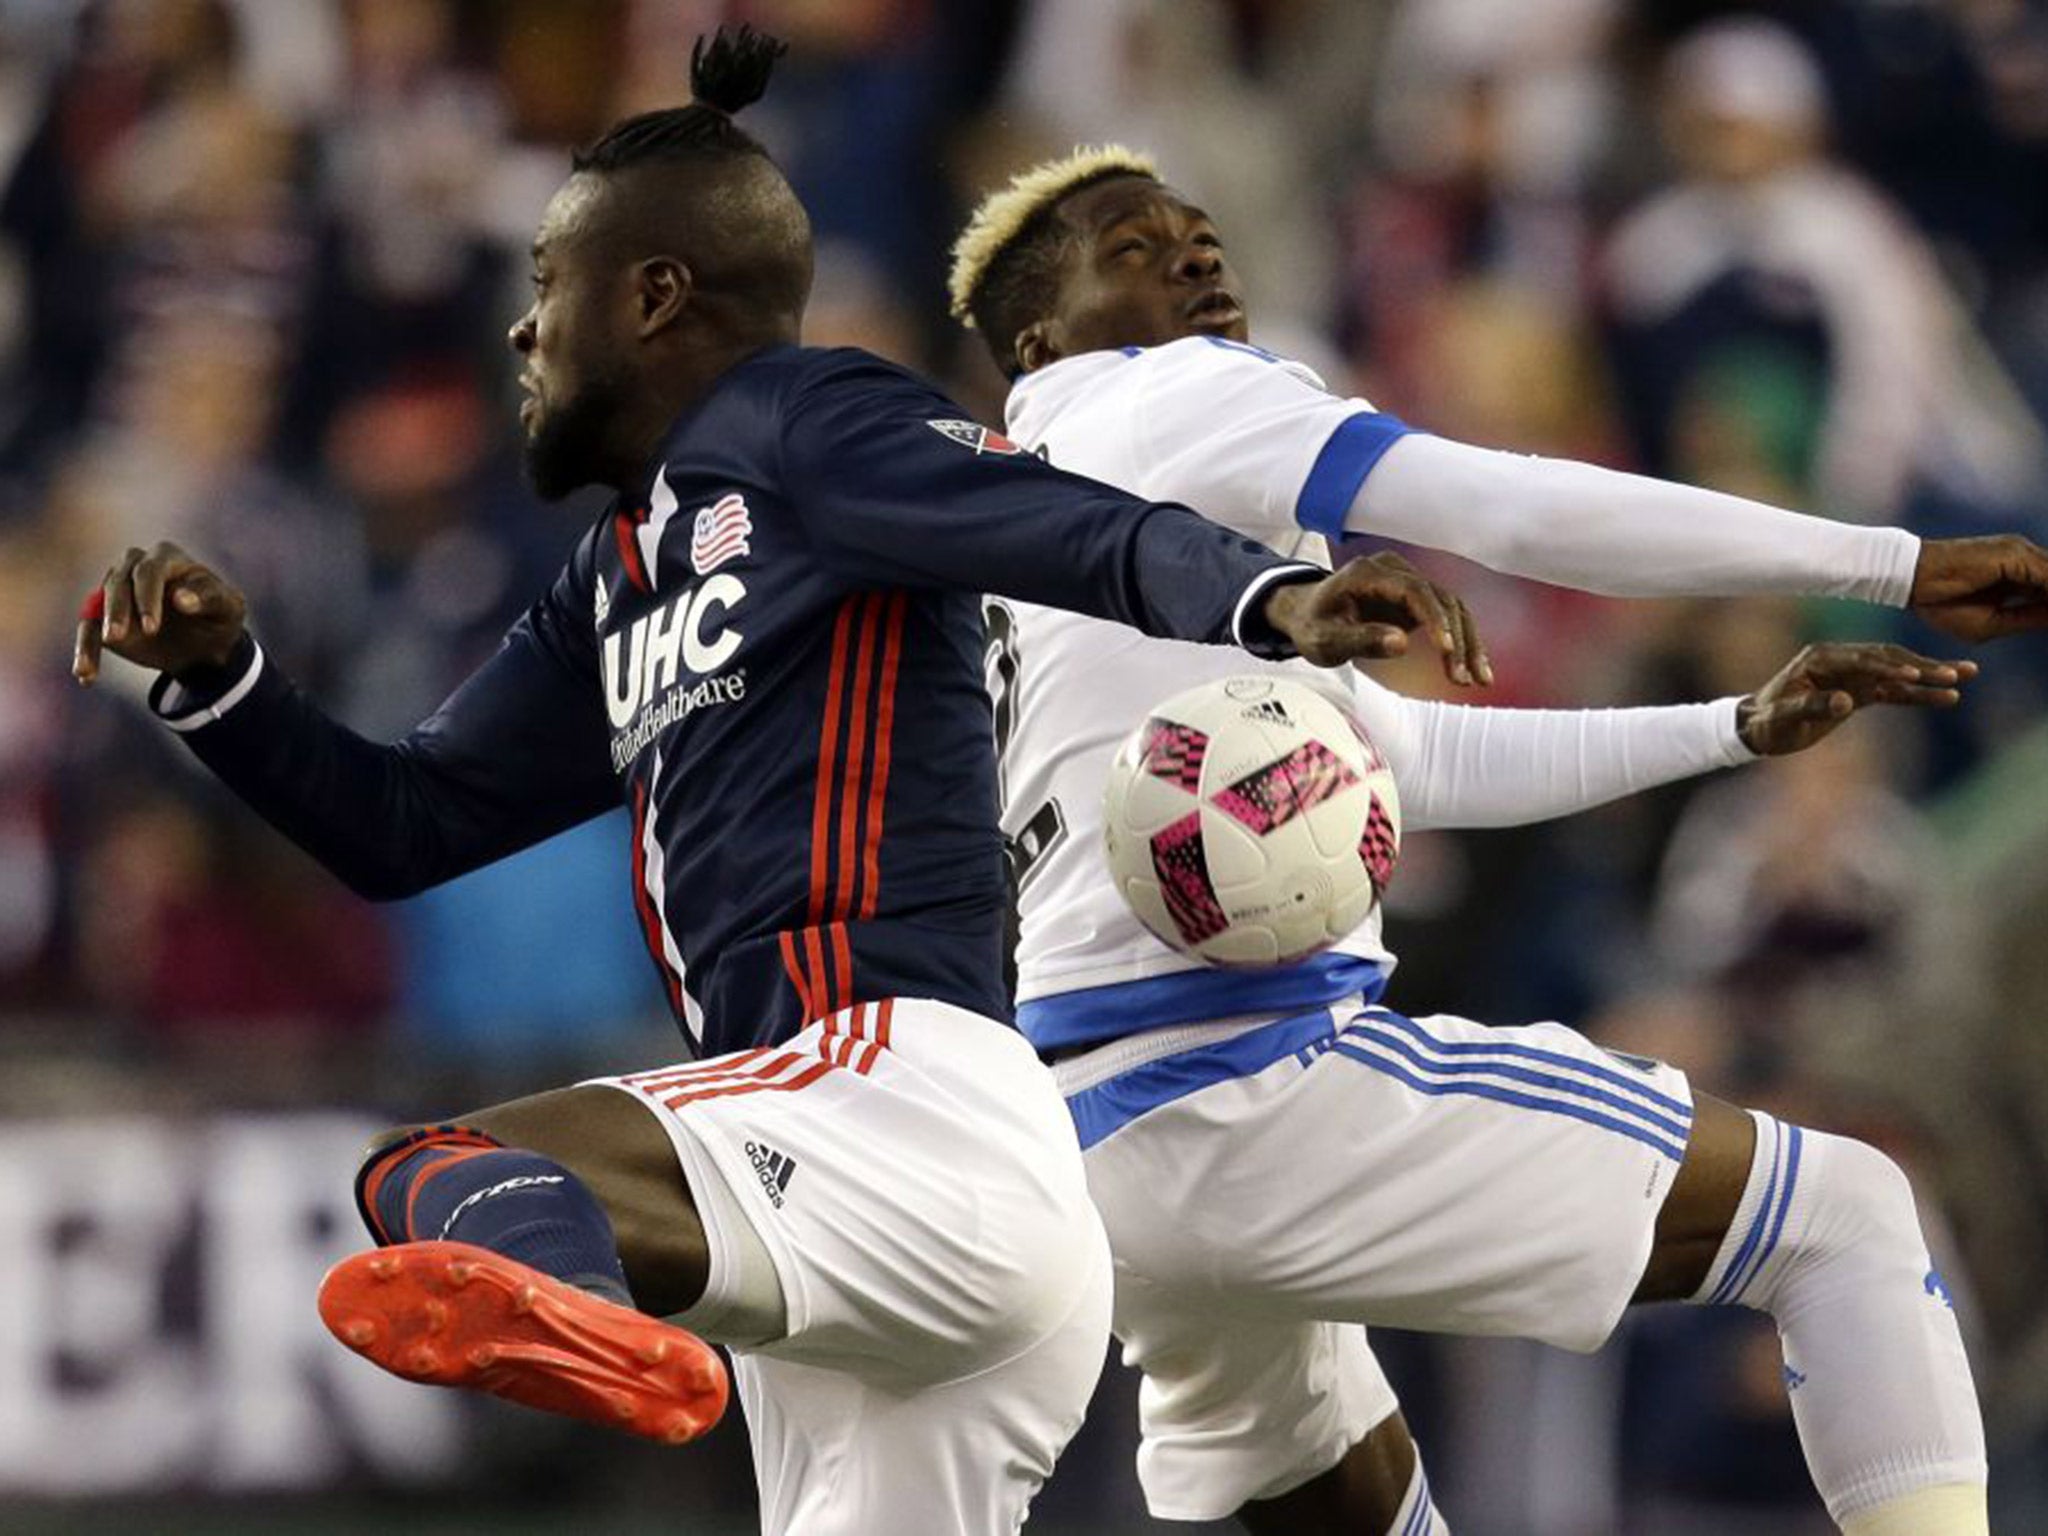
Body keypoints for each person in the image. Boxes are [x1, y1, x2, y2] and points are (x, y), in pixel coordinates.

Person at [68, 40, 1483, 1535]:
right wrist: (223, 691)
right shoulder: (612, 581)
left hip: (902, 1099)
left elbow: (1046, 518)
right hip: (869, 1242)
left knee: (445, 1170)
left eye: (547, 282)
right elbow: (404, 823)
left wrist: (1263, 600)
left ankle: (584, 1301)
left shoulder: (802, 424)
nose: (517, 330)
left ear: (655, 296)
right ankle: (591, 1293)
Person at [948, 145, 2038, 1535]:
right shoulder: (1177, 396)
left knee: (1352, 1496)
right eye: (1136, 247)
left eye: (1200, 234)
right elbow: (1516, 509)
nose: (1195, 259)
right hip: (1252, 1073)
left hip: (1105, 1138)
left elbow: (1397, 764)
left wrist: (1725, 730)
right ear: (1041, 334)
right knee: (1849, 1214)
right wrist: (1891, 564)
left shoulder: (1009, 532)